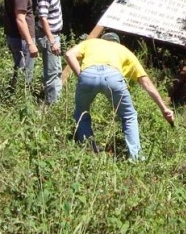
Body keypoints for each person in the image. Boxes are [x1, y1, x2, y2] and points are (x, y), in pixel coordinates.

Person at [65, 32, 174, 160]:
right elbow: (146, 83)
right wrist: (163, 108)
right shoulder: (123, 50)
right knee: (129, 115)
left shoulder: (91, 42)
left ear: (103, 40)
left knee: (81, 113)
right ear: (117, 42)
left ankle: (87, 152)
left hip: (88, 74)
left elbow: (69, 54)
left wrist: (81, 76)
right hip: (113, 76)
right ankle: (135, 158)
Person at [36, 0, 98, 104]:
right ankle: (52, 104)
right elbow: (43, 19)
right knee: (52, 72)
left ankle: (54, 101)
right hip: (49, 36)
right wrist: (52, 41)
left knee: (57, 69)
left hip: (54, 35)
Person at [4, 0, 41, 88]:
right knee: (25, 75)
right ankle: (21, 98)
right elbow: (20, 19)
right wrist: (30, 43)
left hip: (13, 36)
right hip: (22, 40)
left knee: (19, 70)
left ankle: (12, 94)